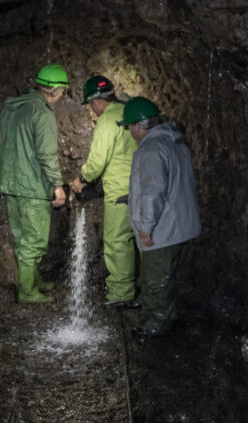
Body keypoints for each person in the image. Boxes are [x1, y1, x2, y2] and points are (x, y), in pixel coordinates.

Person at [123, 97, 201, 336]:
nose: (129, 132)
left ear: (137, 126)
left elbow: (153, 191)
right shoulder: (174, 141)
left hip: (163, 228)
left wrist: (145, 226)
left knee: (157, 278)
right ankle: (159, 313)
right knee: (166, 275)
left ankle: (156, 324)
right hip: (178, 223)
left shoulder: (152, 149)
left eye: (129, 127)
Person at [0, 63, 68, 303]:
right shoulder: (42, 114)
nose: (62, 95)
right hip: (32, 187)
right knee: (34, 240)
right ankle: (27, 291)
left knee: (22, 238)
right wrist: (57, 185)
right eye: (63, 91)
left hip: (11, 184)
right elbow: (46, 155)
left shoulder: (11, 109)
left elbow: (0, 147)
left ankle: (33, 281)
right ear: (56, 90)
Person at [70, 76, 139, 308]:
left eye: (91, 104)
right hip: (143, 188)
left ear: (97, 101)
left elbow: (98, 161)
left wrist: (82, 179)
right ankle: (142, 291)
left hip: (120, 191)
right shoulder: (131, 111)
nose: (93, 109)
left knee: (117, 241)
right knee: (141, 242)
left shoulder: (108, 119)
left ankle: (121, 293)